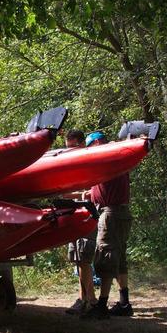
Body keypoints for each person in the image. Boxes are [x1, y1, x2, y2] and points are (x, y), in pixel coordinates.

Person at [81, 131, 133, 320]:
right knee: (119, 259)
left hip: (111, 214)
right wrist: (91, 193)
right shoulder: (115, 159)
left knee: (106, 257)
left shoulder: (107, 156)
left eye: (89, 147)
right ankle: (124, 303)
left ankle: (101, 306)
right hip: (120, 213)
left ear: (96, 143)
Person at [64, 130, 98, 314]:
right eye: (67, 147)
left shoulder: (89, 164)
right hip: (73, 215)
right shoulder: (70, 166)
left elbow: (93, 192)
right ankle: (82, 298)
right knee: (77, 259)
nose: (69, 150)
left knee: (84, 259)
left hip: (86, 215)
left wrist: (76, 194)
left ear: (82, 145)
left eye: (73, 147)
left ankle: (91, 300)